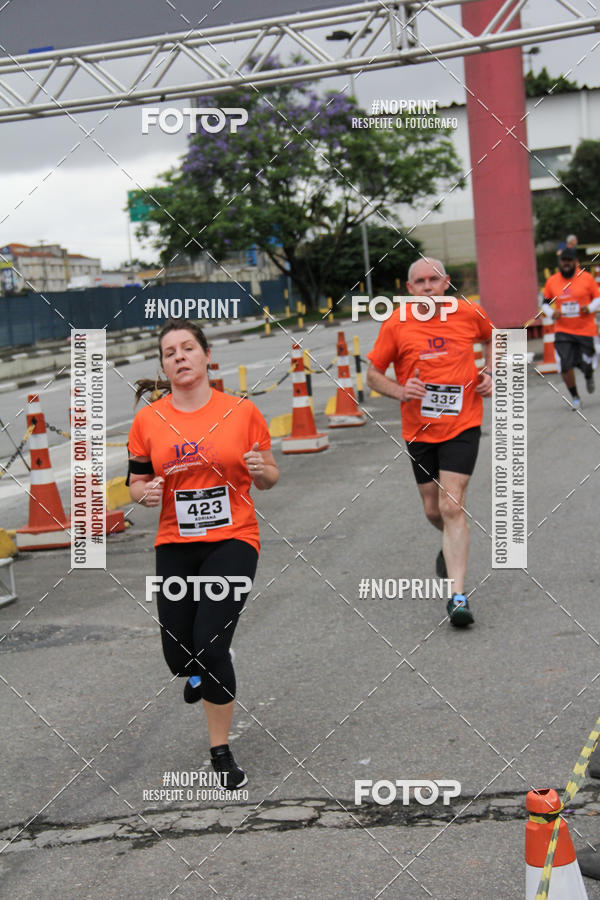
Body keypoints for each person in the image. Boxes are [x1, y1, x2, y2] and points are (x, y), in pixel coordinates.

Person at [127, 320, 279, 788]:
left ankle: (221, 749)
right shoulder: (148, 420)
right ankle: (195, 672)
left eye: (188, 347)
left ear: (207, 355)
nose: (179, 356)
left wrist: (262, 468)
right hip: (175, 544)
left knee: (211, 642)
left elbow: (270, 475)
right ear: (164, 365)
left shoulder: (241, 411)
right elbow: (135, 481)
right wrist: (144, 494)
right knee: (179, 657)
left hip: (233, 539)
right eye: (169, 351)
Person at [365, 258, 493, 627]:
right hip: (419, 430)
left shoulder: (469, 312)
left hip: (463, 422)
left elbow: (497, 338)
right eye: (419, 281)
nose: (427, 287)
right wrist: (401, 390)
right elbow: (373, 375)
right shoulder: (396, 324)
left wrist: (489, 371)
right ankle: (451, 543)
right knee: (433, 510)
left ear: (446, 283)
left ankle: (457, 596)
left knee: (451, 505)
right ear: (409, 289)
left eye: (433, 280)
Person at [542, 248, 600, 410]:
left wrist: (589, 307)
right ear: (560, 263)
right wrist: (552, 313)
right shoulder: (552, 281)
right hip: (563, 330)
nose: (566, 263)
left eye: (569, 260)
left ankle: (588, 374)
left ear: (575, 262)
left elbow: (598, 298)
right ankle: (575, 397)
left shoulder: (586, 278)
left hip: (586, 329)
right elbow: (545, 304)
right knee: (565, 365)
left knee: (587, 364)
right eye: (563, 261)